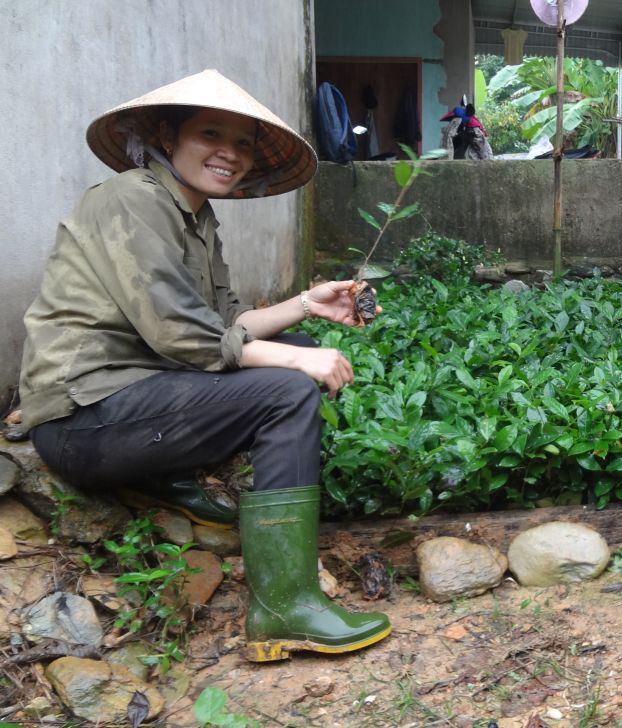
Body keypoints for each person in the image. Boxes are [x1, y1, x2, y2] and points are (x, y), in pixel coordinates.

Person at [19, 69, 391, 660]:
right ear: (168, 137)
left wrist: (307, 305)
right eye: (210, 134)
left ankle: (162, 479)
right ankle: (284, 607)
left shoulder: (196, 215)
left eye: (243, 142)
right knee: (288, 389)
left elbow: (227, 323)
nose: (230, 153)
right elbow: (182, 336)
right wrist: (298, 363)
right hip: (84, 418)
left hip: (137, 401)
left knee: (292, 352)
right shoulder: (132, 199)